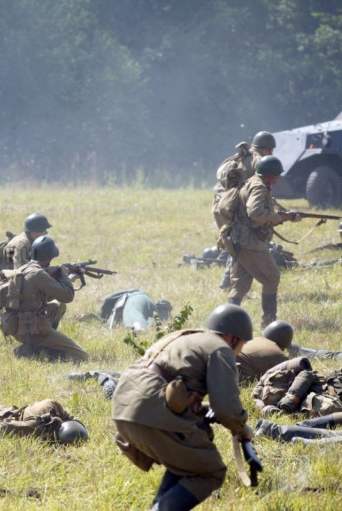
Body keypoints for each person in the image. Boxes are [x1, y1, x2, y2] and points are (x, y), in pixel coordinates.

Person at [111, 304, 254, 511]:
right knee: (209, 471)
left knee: (188, 460)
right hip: (151, 407)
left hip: (125, 402)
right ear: (233, 339)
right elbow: (226, 406)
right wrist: (241, 428)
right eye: (242, 344)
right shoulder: (220, 348)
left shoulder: (186, 337)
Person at [227, 155, 302, 326]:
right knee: (272, 278)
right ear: (270, 175)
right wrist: (278, 217)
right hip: (249, 241)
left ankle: (227, 322)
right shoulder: (259, 187)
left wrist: (284, 217)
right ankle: (268, 323)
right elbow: (255, 213)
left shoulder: (252, 182)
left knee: (241, 284)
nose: (278, 178)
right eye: (277, 175)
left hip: (239, 239)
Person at [0, 235, 89, 363]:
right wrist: (65, 277)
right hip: (32, 330)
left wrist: (65, 280)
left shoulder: (26, 269)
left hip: (20, 325)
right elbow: (67, 296)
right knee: (82, 357)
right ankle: (33, 351)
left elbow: (46, 295)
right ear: (50, 258)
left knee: (58, 305)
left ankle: (40, 344)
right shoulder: (38, 274)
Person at [212, 131, 276, 289]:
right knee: (242, 245)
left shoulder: (241, 157)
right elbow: (257, 191)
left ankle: (229, 285)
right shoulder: (259, 162)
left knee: (235, 245)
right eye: (271, 150)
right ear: (267, 148)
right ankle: (231, 285)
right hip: (236, 211)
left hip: (222, 207)